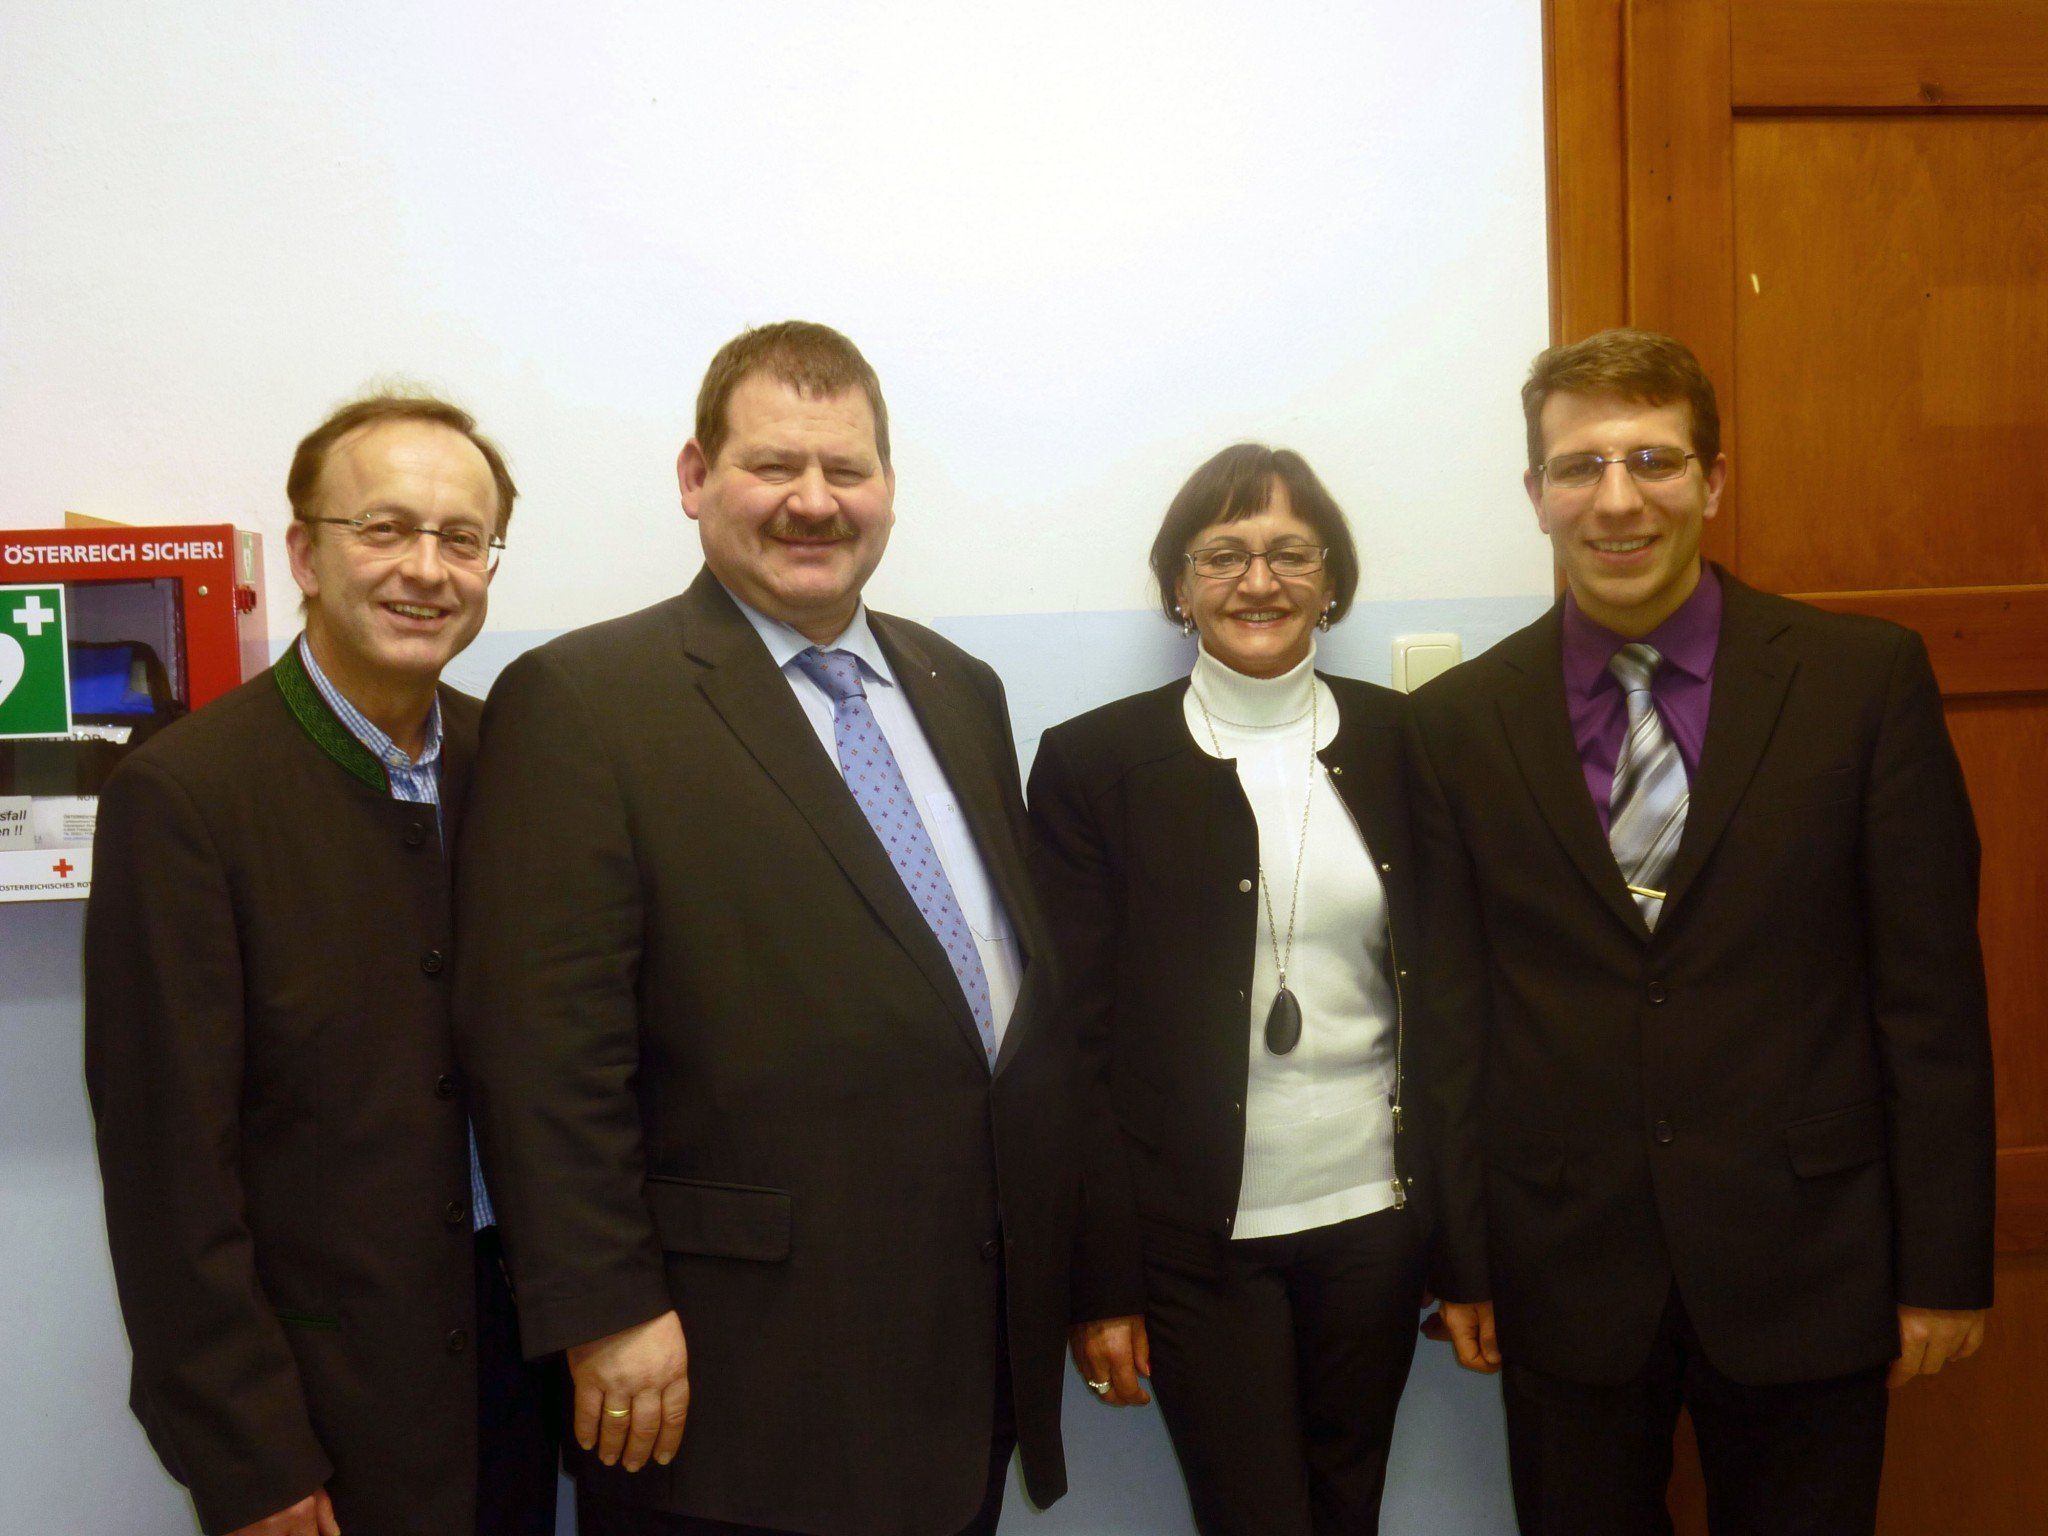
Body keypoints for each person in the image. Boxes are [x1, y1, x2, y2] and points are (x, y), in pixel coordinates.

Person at [452, 321, 1076, 1536]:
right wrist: (603, 1308)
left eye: (846, 471)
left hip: (959, 1354)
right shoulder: (586, 700)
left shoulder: (960, 688)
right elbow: (542, 1049)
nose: (813, 501)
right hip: (726, 1376)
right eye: (772, 465)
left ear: (888, 490)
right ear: (695, 478)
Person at [1409, 328, 1996, 1536]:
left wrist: (1941, 1265)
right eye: (1577, 466)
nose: (1615, 498)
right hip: (1559, 1266)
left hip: (1811, 1255)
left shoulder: (1859, 682)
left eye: (1652, 460)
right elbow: (1453, 1014)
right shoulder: (1458, 724)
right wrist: (1459, 1257)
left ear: (1712, 480)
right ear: (1534, 496)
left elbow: (1929, 1000)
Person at [85, 394, 561, 1536]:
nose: (427, 570)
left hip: (511, 1372)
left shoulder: (518, 760)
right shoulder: (187, 797)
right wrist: (248, 1453)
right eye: (384, 529)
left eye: (462, 539)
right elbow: (168, 1169)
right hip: (321, 1404)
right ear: (303, 550)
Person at [1029, 444, 1426, 1535]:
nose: (1259, 581)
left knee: (1348, 1507)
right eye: (1223, 555)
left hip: (1376, 1222)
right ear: (1177, 586)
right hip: (1195, 1242)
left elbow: (1457, 1009)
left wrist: (1467, 1249)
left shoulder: (1410, 744)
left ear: (1332, 582)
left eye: (1291, 554)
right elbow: (1073, 1050)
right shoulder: (1091, 765)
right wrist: (1096, 1282)